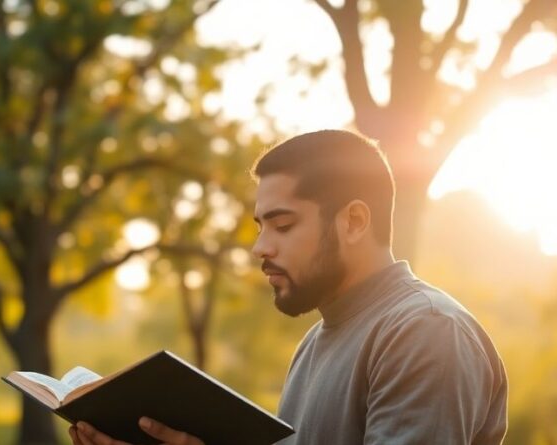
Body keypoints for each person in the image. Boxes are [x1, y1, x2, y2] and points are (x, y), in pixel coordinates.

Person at [68, 130, 508, 445]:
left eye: (282, 224)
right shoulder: (317, 341)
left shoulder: (425, 331)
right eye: (261, 226)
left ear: (353, 221)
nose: (260, 247)